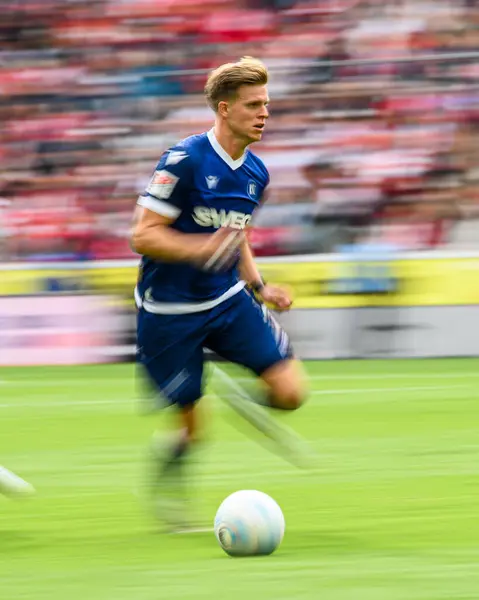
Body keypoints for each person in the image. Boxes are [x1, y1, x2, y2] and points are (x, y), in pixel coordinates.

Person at [131, 57, 308, 528]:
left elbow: (238, 233)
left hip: (227, 299)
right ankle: (170, 492)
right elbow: (143, 235)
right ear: (224, 109)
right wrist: (197, 248)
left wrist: (260, 285)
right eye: (254, 105)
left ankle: (247, 401)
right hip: (168, 311)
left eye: (267, 104)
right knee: (191, 428)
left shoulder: (256, 173)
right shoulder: (183, 160)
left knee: (291, 393)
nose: (264, 113)